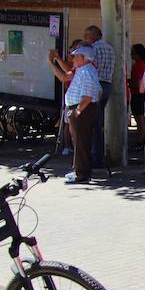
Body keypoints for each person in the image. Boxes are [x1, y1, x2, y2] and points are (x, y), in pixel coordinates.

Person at [48, 43, 101, 184]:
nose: (73, 59)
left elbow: (87, 96)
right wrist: (53, 62)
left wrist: (77, 111)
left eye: (76, 56)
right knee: (78, 140)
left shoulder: (87, 71)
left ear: (84, 58)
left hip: (82, 109)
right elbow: (64, 76)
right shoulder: (82, 69)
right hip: (78, 109)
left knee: (81, 141)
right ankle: (79, 169)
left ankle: (82, 173)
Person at [82, 25, 115, 166]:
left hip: (96, 85)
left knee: (92, 123)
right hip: (107, 84)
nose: (85, 38)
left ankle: (94, 157)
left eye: (87, 35)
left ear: (93, 36)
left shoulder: (93, 49)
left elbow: (88, 67)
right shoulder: (110, 49)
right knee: (98, 121)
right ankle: (98, 155)